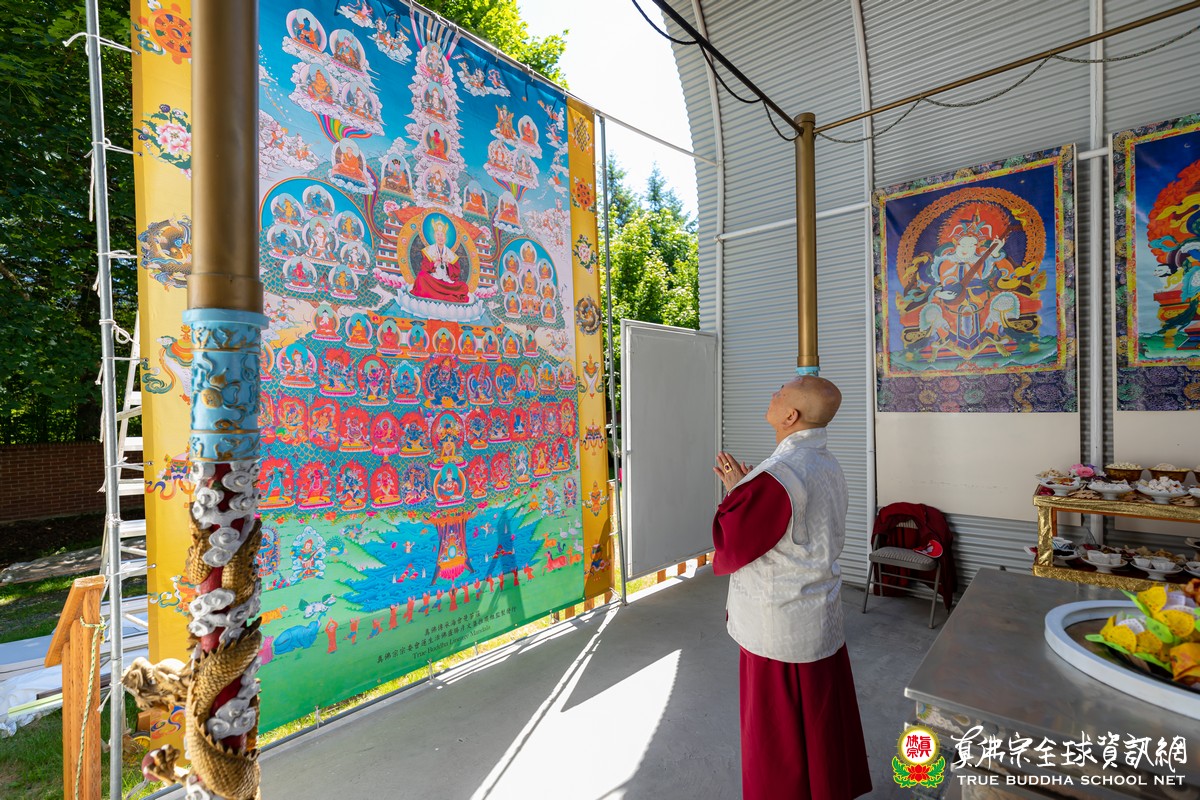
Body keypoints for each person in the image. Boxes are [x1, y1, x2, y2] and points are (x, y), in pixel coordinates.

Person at [710, 376, 871, 800]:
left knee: (777, 742)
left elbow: (733, 545)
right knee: (820, 726)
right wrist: (746, 492)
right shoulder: (826, 463)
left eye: (780, 393)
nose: (772, 394)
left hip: (778, 625)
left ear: (790, 416)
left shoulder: (778, 476)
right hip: (819, 614)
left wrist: (736, 496)